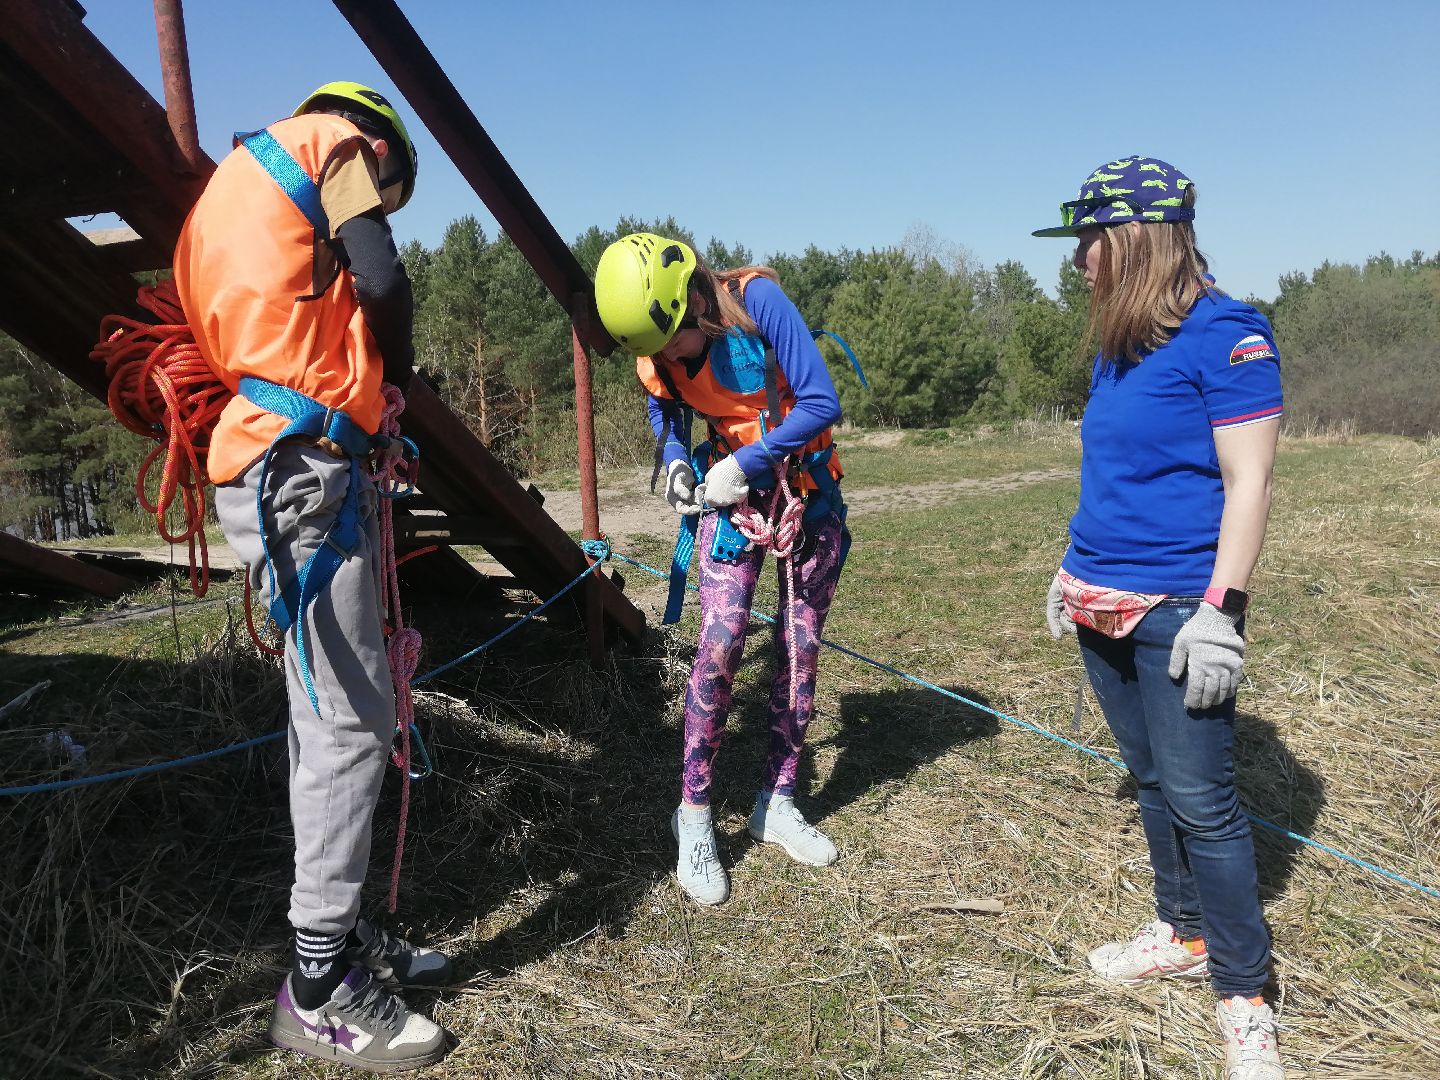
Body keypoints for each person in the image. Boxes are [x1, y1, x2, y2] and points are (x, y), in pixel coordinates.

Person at [173, 82, 451, 1071]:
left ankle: (334, 933)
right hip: (300, 471)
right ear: (381, 145)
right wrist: (397, 380)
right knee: (351, 726)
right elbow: (381, 278)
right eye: (391, 186)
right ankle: (320, 986)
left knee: (324, 716)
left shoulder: (229, 194)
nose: (379, 201)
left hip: (279, 464)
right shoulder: (335, 143)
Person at [1034, 157, 1286, 1080]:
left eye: (1088, 243)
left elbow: (1250, 483)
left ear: (1135, 239)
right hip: (1098, 600)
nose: (1078, 262)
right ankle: (1181, 931)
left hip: (1179, 611)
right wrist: (1071, 570)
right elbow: (1112, 474)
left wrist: (1222, 613)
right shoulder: (1119, 346)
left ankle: (1245, 995)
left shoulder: (1229, 335)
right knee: (1147, 778)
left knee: (1204, 806)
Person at [594, 233, 850, 906]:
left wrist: (745, 463)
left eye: (673, 342)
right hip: (731, 502)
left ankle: (778, 801)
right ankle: (695, 817)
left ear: (697, 300)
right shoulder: (655, 342)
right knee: (721, 640)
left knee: (799, 649)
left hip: (805, 497)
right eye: (655, 351)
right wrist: (676, 460)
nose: (668, 358)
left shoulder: (758, 302)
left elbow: (821, 402)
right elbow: (663, 405)